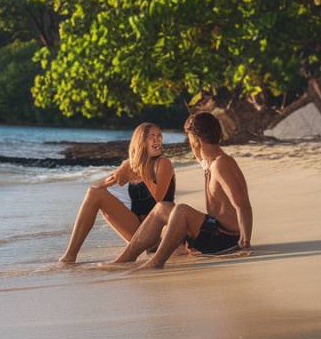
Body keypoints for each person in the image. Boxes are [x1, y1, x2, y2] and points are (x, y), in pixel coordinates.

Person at [107, 111, 253, 271]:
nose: (189, 144)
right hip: (214, 229)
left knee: (182, 210)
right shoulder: (211, 163)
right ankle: (125, 259)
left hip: (226, 238)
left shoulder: (221, 164)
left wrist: (245, 243)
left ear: (197, 140)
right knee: (162, 207)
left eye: (190, 138)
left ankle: (156, 262)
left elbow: (242, 204)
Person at [59, 122, 175, 263]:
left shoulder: (163, 163)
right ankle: (70, 255)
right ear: (141, 142)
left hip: (160, 234)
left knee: (96, 192)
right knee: (94, 193)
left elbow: (159, 199)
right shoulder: (131, 166)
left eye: (159, 136)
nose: (157, 140)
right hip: (138, 232)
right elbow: (98, 187)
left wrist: (141, 168)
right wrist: (122, 170)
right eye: (152, 136)